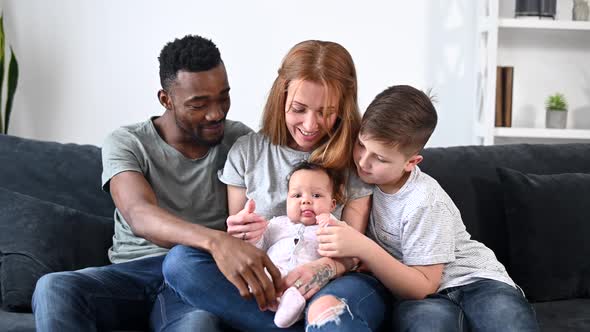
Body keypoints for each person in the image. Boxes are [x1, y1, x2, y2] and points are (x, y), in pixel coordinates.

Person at [31, 35, 270, 331]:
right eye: (199, 104)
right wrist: (215, 240)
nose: (216, 113)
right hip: (131, 274)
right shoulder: (128, 142)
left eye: (223, 97)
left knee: (199, 325)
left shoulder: (241, 142)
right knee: (53, 287)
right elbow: (139, 214)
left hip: (194, 277)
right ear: (165, 99)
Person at [163, 40, 389, 332]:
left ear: (343, 108)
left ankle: (306, 321)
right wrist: (242, 235)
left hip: (336, 281)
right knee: (180, 262)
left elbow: (352, 251)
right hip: (269, 285)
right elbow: (242, 246)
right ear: (281, 98)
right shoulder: (247, 152)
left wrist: (323, 269)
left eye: (325, 111)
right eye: (299, 109)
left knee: (329, 312)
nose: (310, 124)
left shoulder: (355, 158)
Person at [316, 85, 540, 331]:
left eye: (380, 158)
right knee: (427, 323)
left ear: (411, 162)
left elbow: (423, 285)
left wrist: (364, 248)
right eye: (361, 145)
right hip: (426, 299)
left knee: (507, 321)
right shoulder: (363, 185)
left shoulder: (425, 200)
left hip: (476, 281)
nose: (363, 161)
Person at [250, 161, 344, 328]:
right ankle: (267, 294)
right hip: (274, 272)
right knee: (264, 274)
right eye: (297, 196)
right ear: (287, 201)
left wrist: (330, 224)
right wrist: (254, 234)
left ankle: (287, 313)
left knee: (297, 296)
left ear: (332, 204)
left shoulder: (332, 225)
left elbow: (345, 248)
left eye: (316, 196)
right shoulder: (276, 224)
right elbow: (259, 247)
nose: (306, 201)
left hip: (304, 284)